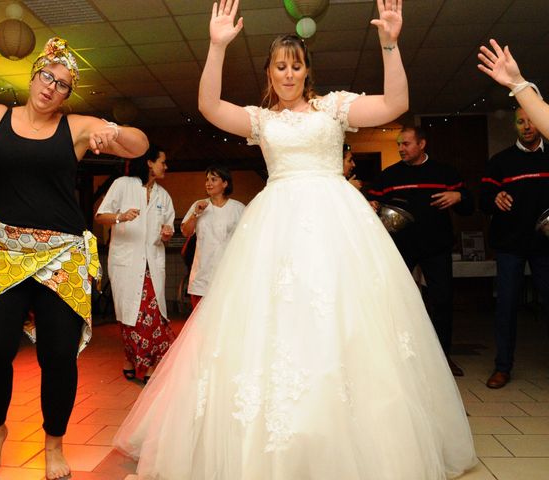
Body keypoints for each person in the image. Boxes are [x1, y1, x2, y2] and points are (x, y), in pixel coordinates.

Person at [114, 1, 476, 479]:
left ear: (308, 72)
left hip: (336, 228)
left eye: (296, 65)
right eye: (280, 66)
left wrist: (390, 43)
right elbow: (208, 106)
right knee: (274, 324)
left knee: (343, 323)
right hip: (276, 230)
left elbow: (394, 104)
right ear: (269, 73)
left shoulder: (334, 108)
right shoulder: (263, 121)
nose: (288, 74)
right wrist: (217, 47)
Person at [0, 36, 148, 480]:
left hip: (61, 255)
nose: (50, 87)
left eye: (61, 85)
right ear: (32, 74)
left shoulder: (74, 126)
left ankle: (54, 442)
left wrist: (112, 131)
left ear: (66, 95)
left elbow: (138, 145)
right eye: (46, 76)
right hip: (4, 251)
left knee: (58, 356)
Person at [367, 126, 474, 376]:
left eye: (406, 144)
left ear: (422, 144)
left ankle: (443, 358)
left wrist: (458, 196)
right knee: (396, 302)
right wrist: (371, 203)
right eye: (399, 145)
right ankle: (398, 357)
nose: (401, 149)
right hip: (400, 249)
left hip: (436, 248)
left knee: (442, 301)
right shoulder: (389, 176)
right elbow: (371, 200)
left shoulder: (444, 172)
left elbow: (469, 205)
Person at [478, 107, 549, 389]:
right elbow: (482, 200)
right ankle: (502, 367)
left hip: (545, 246)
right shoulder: (500, 161)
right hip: (509, 246)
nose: (527, 126)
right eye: (521, 121)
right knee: (506, 307)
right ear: (515, 126)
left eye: (531, 120)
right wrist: (495, 198)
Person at [95, 145, 175, 384]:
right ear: (150, 163)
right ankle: (130, 360)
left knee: (152, 317)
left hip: (152, 265)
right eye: (163, 161)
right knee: (130, 317)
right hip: (127, 264)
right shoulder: (123, 184)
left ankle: (149, 365)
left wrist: (167, 233)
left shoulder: (164, 196)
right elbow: (101, 216)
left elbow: (167, 229)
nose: (166, 167)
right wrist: (121, 216)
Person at [181, 164, 245, 308]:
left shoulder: (238, 208)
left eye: (214, 179)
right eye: (207, 179)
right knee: (200, 322)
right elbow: (186, 232)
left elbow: (246, 240)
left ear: (225, 183)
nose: (208, 183)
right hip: (202, 272)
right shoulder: (199, 205)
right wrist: (196, 214)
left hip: (228, 272)